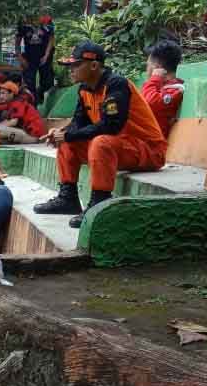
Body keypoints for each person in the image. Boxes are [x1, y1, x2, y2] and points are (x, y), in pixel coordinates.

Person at [34, 41, 168, 228]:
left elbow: (111, 126)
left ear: (94, 65)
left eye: (76, 65)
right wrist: (61, 133)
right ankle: (68, 198)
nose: (70, 70)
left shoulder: (116, 84)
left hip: (148, 150)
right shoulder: (84, 89)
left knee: (100, 142)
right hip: (121, 147)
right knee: (67, 142)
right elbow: (79, 123)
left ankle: (100, 202)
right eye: (69, 66)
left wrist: (69, 134)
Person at [141, 40, 185, 138]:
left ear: (156, 67)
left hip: (153, 146)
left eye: (147, 65)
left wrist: (154, 79)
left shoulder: (175, 90)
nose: (146, 69)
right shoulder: (158, 87)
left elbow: (147, 103)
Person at [16, 15, 56, 104]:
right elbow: (17, 41)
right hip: (29, 55)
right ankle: (31, 104)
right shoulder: (23, 21)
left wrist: (46, 55)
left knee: (47, 80)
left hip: (45, 54)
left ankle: (43, 100)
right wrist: (20, 57)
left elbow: (51, 38)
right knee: (29, 82)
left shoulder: (47, 20)